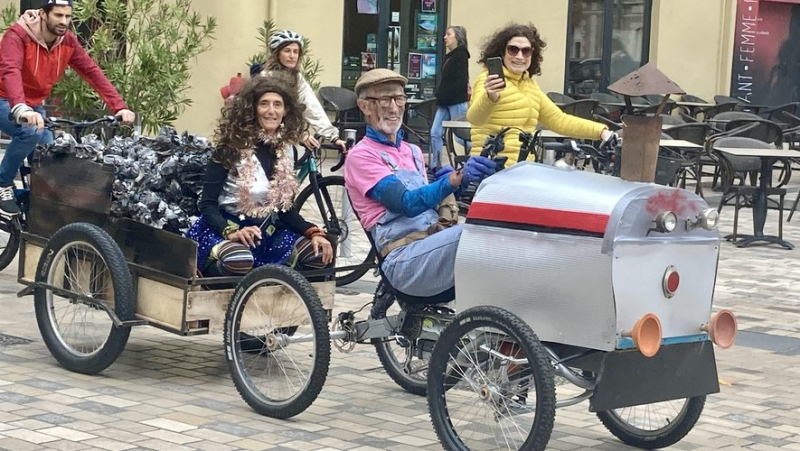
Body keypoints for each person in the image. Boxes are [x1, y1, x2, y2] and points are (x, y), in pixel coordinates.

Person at [344, 69, 495, 297]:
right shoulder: (361, 156)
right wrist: (455, 179)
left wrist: (462, 180)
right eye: (384, 100)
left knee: (501, 231)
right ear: (364, 106)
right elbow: (405, 203)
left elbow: (430, 200)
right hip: (402, 260)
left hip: (431, 245)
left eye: (399, 98)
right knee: (473, 234)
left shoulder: (412, 151)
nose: (394, 108)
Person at [186, 74, 333, 277]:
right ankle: (216, 281)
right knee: (239, 260)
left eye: (277, 105)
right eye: (264, 104)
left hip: (266, 235)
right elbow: (207, 205)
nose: (271, 111)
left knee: (319, 253)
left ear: (286, 110)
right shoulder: (230, 147)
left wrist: (314, 232)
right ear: (253, 109)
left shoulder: (288, 149)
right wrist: (231, 232)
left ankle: (277, 285)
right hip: (225, 230)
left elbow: (284, 211)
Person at [0, 0, 135, 216]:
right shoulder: (17, 36)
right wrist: (21, 109)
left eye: (68, 16)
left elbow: (92, 72)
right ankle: (2, 183)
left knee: (51, 156)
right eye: (58, 15)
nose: (64, 21)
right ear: (43, 14)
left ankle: (35, 207)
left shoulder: (67, 42)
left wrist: (118, 106)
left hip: (34, 105)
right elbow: (11, 71)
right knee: (30, 131)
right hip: (6, 99)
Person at [468, 23, 613, 165]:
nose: (520, 56)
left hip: (522, 169)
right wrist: (489, 98)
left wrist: (601, 132)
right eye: (513, 50)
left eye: (526, 51)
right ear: (501, 52)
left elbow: (558, 120)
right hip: (489, 169)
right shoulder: (488, 80)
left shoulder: (529, 84)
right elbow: (475, 119)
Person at [250, 29, 347, 153]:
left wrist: (333, 137)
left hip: (285, 136)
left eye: (296, 52)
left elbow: (311, 105)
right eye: (287, 51)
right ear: (277, 54)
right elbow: (269, 113)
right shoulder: (266, 77)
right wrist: (299, 134)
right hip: (260, 136)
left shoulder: (296, 78)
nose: (292, 56)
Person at [429, 25, 471, 170]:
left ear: (457, 38)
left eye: (449, 34)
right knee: (435, 132)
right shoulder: (452, 56)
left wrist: (443, 94)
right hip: (445, 102)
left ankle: (479, 154)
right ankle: (436, 164)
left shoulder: (461, 55)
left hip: (456, 101)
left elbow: (460, 81)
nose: (445, 37)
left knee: (461, 135)